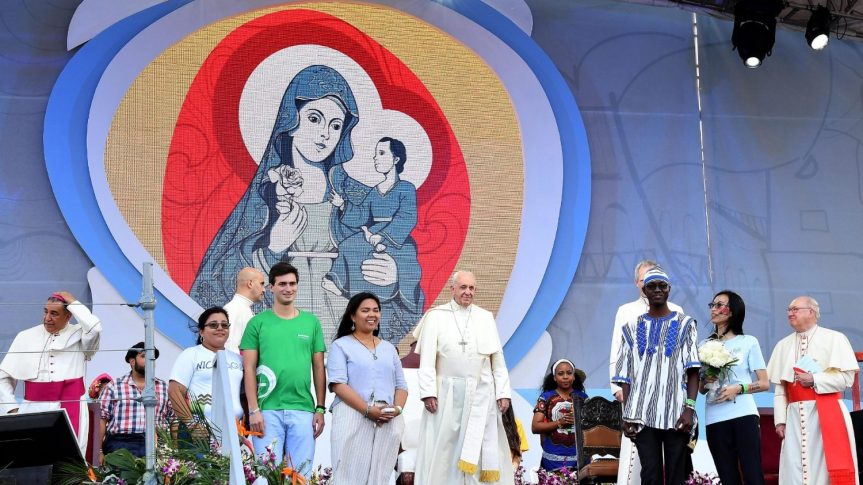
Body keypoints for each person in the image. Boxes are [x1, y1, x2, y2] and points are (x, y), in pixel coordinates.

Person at [191, 64, 373, 343]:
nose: (325, 133)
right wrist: (273, 247)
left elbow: (377, 250)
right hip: (285, 311)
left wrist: (389, 273)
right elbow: (221, 276)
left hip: (336, 309)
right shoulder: (265, 193)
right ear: (292, 119)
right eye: (314, 118)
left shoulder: (352, 194)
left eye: (336, 125)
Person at [412, 270, 514, 485]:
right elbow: (427, 360)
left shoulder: (485, 317)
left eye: (471, 288)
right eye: (463, 287)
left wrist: (503, 393)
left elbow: (498, 360)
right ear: (453, 289)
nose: (468, 292)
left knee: (480, 447)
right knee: (445, 447)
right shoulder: (436, 316)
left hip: (481, 393)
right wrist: (428, 392)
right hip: (446, 393)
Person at [324, 136, 425, 344]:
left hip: (397, 238)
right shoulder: (375, 190)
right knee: (349, 245)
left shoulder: (405, 188)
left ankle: (383, 295)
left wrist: (384, 236)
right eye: (375, 154)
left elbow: (407, 217)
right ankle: (345, 288)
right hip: (373, 234)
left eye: (382, 153)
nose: (375, 158)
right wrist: (343, 205)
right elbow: (362, 214)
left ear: (396, 159)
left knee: (389, 259)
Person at [611, 268, 699, 485]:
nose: (657, 290)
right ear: (644, 290)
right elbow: (625, 375)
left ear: (669, 289)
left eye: (662, 285)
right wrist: (627, 415)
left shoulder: (685, 324)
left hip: (676, 412)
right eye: (652, 286)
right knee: (650, 475)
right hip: (641, 413)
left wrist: (689, 409)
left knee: (676, 475)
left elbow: (693, 370)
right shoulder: (631, 328)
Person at [241, 262, 326, 473]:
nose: (288, 288)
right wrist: (253, 411)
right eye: (282, 284)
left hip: (303, 409)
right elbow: (249, 368)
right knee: (265, 476)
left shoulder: (311, 323)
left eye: (292, 283)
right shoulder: (257, 323)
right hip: (266, 410)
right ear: (271, 287)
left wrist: (320, 408)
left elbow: (318, 368)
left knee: (300, 476)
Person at [766, 295, 859, 485]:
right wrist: (780, 421)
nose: (790, 313)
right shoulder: (782, 345)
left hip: (827, 412)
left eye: (795, 309)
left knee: (825, 468)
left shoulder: (835, 338)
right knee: (795, 467)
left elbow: (846, 379)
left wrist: (815, 379)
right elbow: (781, 389)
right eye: (788, 310)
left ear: (811, 312)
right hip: (794, 417)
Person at [0, 291, 101, 453]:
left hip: (71, 407)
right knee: (32, 456)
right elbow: (3, 377)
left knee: (69, 460)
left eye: (54, 313)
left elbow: (94, 328)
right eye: (45, 311)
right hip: (33, 409)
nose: (47, 318)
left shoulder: (81, 336)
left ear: (68, 316)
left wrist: (72, 301)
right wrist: (12, 409)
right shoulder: (25, 337)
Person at [327, 292, 408, 484]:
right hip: (352, 413)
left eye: (376, 310)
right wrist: (367, 410)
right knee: (347, 475)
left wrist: (397, 409)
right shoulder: (341, 345)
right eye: (365, 310)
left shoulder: (389, 348)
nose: (372, 314)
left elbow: (401, 386)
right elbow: (338, 384)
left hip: (387, 418)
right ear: (353, 316)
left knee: (380, 475)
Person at [698, 291, 767, 485]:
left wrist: (738, 389)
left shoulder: (748, 342)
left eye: (719, 305)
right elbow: (702, 389)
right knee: (727, 476)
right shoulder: (704, 345)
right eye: (712, 305)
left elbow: (764, 383)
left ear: (733, 311)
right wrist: (707, 380)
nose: (714, 309)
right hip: (714, 417)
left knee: (753, 474)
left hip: (743, 414)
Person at [168, 307, 244, 436]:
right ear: (201, 331)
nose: (220, 328)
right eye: (213, 325)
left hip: (233, 432)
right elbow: (175, 391)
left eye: (224, 325)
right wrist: (192, 425)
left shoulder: (238, 359)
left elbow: (244, 395)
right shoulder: (191, 354)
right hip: (199, 433)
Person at [100, 342, 172, 458]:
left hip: (157, 444)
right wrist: (98, 451)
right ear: (132, 361)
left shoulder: (164, 387)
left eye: (153, 358)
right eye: (144, 356)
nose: (150, 361)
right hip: (120, 443)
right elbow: (101, 419)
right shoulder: (114, 386)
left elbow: (174, 420)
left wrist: (175, 450)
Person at [531, 359, 587, 472]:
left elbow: (591, 427)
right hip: (552, 460)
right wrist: (559, 423)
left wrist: (579, 420)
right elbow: (535, 427)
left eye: (569, 373)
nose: (565, 377)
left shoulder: (583, 398)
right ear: (554, 377)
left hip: (580, 459)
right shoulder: (545, 397)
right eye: (561, 374)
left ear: (574, 376)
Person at [223, 267, 266, 353]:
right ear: (250, 283)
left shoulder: (242, 308)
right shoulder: (233, 309)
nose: (264, 290)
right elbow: (229, 346)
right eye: (261, 284)